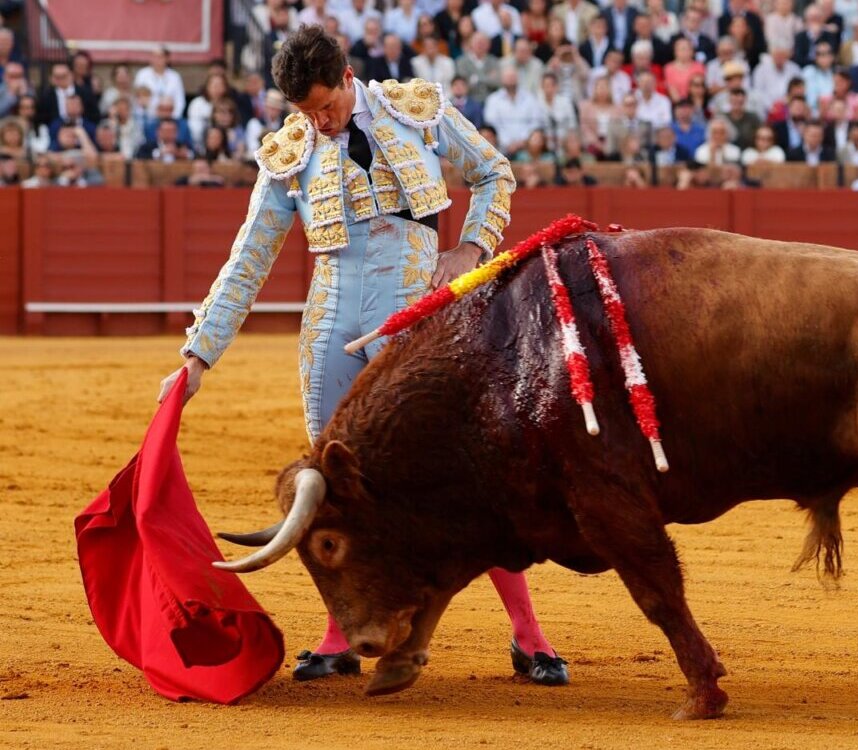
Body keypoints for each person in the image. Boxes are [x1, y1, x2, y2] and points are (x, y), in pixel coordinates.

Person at [156, 27, 567, 686]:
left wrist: (469, 249)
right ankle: (340, 635)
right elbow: (249, 258)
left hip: (416, 328)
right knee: (335, 495)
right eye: (305, 112)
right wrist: (198, 356)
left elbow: (495, 172)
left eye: (326, 106)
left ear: (348, 78)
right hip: (330, 331)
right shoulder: (290, 152)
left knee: (466, 482)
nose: (318, 122)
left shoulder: (415, 107)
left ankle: (529, 635)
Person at [132, 47, 185, 119]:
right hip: (147, 118)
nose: (157, 59)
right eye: (154, 56)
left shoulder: (175, 77)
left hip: (170, 118)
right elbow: (137, 100)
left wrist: (172, 119)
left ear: (167, 58)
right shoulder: (142, 74)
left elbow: (180, 102)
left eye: (160, 57)